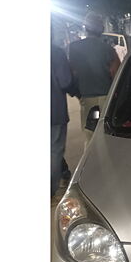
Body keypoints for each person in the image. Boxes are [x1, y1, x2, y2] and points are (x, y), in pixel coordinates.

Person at [68, 12, 121, 148]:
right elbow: (116, 74)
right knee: (106, 132)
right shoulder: (108, 49)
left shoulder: (74, 48)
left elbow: (72, 73)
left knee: (89, 134)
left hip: (86, 97)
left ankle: (90, 163)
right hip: (106, 97)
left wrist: (78, 93)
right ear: (101, 29)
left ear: (85, 28)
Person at [51, 39, 77, 197]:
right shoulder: (55, 53)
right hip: (54, 111)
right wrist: (77, 92)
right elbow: (65, 81)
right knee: (54, 151)